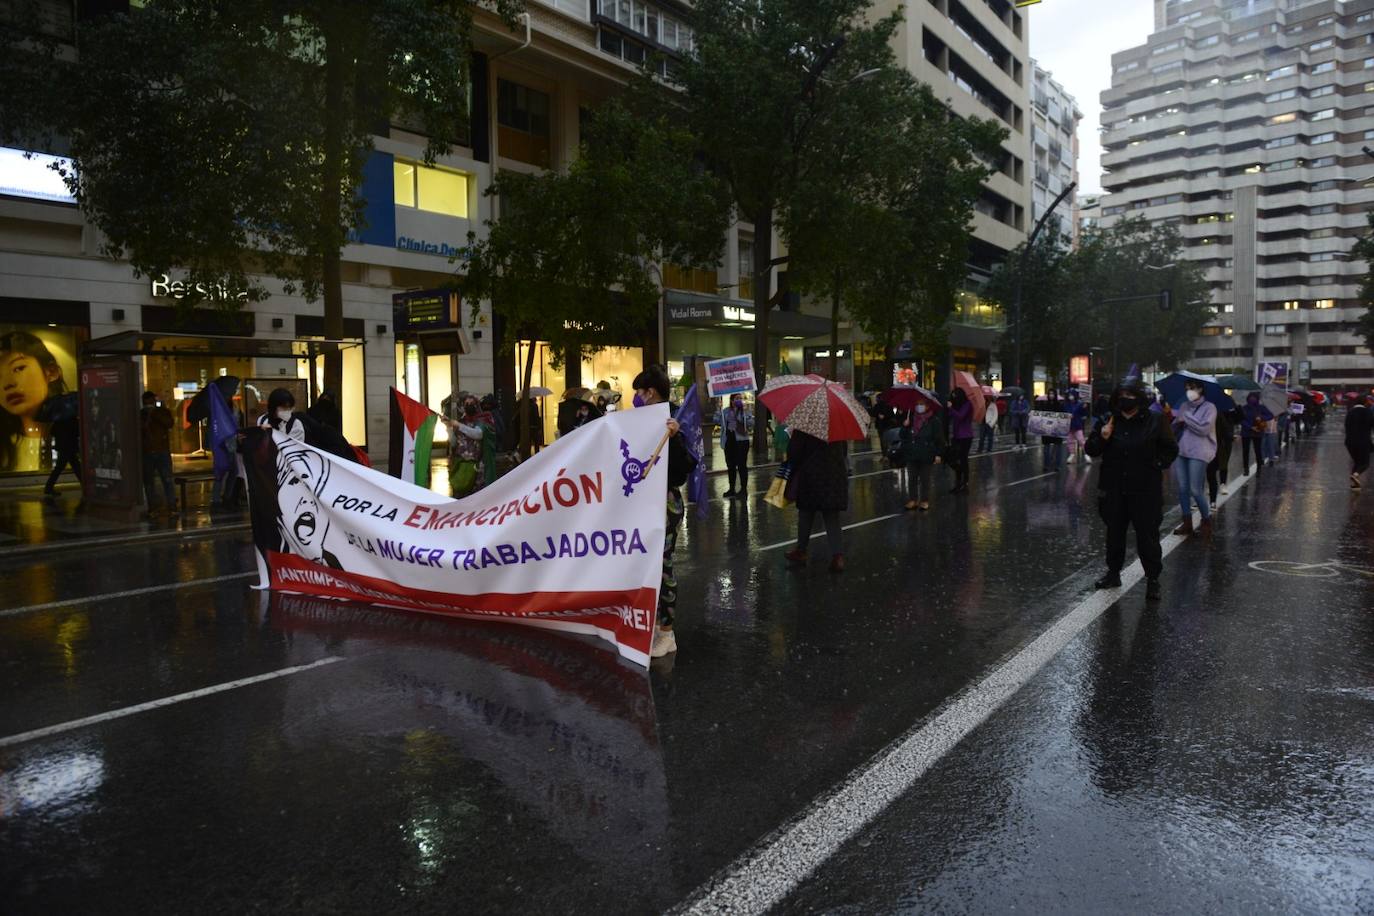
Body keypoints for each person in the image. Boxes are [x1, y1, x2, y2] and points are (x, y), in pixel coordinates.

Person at [1086, 383, 1179, 600]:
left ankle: (1153, 579)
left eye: (1130, 395)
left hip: (1145, 490)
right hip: (1114, 488)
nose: (1125, 399)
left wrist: (1154, 465)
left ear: (1138, 398)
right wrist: (1103, 436)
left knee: (1147, 536)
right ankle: (1113, 573)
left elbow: (1170, 449)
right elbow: (1091, 449)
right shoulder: (1108, 420)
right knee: (1114, 533)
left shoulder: (1155, 420)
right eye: (1121, 396)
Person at [631, 364, 689, 659]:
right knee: (647, 567)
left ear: (649, 392)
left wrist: (676, 438)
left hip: (664, 507)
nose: (636, 398)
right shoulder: (642, 421)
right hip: (644, 506)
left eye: (639, 393)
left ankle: (667, 633)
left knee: (663, 566)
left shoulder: (675, 420)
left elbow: (681, 473)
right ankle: (653, 623)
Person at [1, 330, 69, 473]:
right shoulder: (5, 445)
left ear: (51, 372)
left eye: (19, 368)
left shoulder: (72, 432)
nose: (8, 383)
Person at [784, 429, 849, 572]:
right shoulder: (836, 427)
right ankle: (838, 557)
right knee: (832, 516)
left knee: (806, 513)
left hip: (811, 477)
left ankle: (801, 550)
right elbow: (844, 452)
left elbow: (793, 453)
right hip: (834, 476)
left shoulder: (804, 427)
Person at [1170, 379, 1217, 538]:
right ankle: (1187, 522)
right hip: (1182, 450)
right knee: (1182, 488)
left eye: (1193, 388)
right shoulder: (1184, 406)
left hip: (1199, 451)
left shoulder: (1209, 407)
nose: (1189, 391)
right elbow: (1176, 426)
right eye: (1187, 388)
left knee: (1195, 489)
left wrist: (1187, 418)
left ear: (1201, 389)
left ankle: (1206, 521)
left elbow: (1204, 429)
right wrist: (1177, 421)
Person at [442, 394, 492, 498]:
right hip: (461, 466)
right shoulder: (460, 422)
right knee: (461, 496)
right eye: (467, 404)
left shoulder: (482, 421)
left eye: (472, 404)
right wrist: (448, 427)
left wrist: (458, 425)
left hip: (477, 469)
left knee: (476, 497)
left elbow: (478, 434)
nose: (469, 406)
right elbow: (454, 442)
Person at [900, 403, 945, 511]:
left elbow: (940, 439)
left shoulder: (934, 421)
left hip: (926, 453)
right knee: (912, 478)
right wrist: (905, 427)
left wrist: (938, 454)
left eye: (922, 404)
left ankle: (924, 500)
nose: (919, 406)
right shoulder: (910, 418)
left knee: (925, 478)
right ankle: (913, 499)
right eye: (918, 404)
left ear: (927, 406)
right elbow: (902, 436)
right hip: (912, 453)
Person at [140, 390, 177, 513]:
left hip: (158, 451)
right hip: (152, 452)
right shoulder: (142, 415)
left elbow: (169, 423)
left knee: (164, 480)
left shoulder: (160, 412)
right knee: (153, 481)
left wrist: (155, 413)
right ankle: (156, 507)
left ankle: (170, 506)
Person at [43, 407, 81, 501]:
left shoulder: (59, 419)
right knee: (72, 466)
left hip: (62, 446)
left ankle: (48, 487)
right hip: (70, 446)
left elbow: (52, 431)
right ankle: (48, 487)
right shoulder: (72, 419)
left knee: (73, 466)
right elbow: (77, 432)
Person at [719, 393, 753, 499]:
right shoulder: (725, 411)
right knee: (731, 466)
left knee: (742, 465)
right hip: (729, 441)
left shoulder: (745, 411)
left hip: (741, 441)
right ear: (732, 400)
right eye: (736, 398)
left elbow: (751, 423)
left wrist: (743, 415)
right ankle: (731, 489)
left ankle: (743, 489)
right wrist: (717, 410)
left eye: (740, 398)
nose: (739, 400)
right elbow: (718, 422)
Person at [1206, 405, 1237, 508]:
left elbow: (1227, 428)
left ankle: (1214, 498)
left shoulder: (1221, 412)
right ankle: (1203, 497)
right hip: (1202, 447)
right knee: (1205, 473)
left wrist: (1230, 437)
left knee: (1213, 471)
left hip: (1217, 446)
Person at [946, 387, 974, 493]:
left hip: (965, 436)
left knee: (963, 459)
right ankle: (959, 481)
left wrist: (951, 409)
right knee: (953, 459)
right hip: (956, 436)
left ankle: (964, 482)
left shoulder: (967, 404)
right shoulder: (956, 406)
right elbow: (951, 416)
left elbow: (960, 416)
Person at [1239, 392, 1272, 475]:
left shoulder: (1261, 408)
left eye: (1254, 398)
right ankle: (1246, 468)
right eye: (1251, 398)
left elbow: (1270, 415)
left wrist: (1261, 417)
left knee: (1258, 450)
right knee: (1245, 451)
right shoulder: (1244, 408)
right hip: (1246, 432)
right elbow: (1241, 420)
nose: (1252, 399)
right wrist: (1250, 427)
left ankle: (1259, 468)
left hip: (1258, 431)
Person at [1346, 394, 1372, 489]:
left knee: (1357, 462)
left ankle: (1354, 485)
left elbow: (1346, 426)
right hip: (1363, 442)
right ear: (1365, 402)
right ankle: (1355, 475)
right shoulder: (1367, 412)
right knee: (1365, 463)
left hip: (1349, 442)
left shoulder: (1350, 412)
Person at [1041, 391, 1065, 472]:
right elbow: (1039, 415)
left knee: (1058, 448)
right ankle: (1046, 465)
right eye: (1050, 394)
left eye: (1052, 394)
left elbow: (1063, 415)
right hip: (1046, 430)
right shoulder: (1044, 405)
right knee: (1046, 449)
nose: (1051, 395)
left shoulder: (1059, 405)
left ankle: (1057, 466)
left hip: (1057, 429)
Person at [1067, 392, 1091, 464]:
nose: (1070, 396)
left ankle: (1086, 454)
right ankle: (1071, 454)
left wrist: (1084, 408)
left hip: (1077, 425)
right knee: (1070, 441)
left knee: (1081, 440)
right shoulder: (1066, 404)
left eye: (1072, 395)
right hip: (1069, 426)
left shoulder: (1080, 404)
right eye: (1069, 395)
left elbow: (1084, 414)